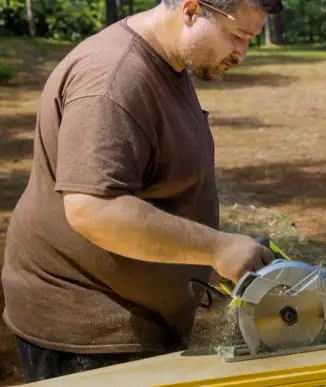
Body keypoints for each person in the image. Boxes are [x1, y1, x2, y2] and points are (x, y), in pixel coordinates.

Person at [1, 0, 284, 382]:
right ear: (190, 10)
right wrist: (216, 248)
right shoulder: (112, 80)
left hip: (136, 320)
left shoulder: (170, 60)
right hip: (86, 334)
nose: (242, 53)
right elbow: (93, 209)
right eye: (237, 36)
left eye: (251, 39)